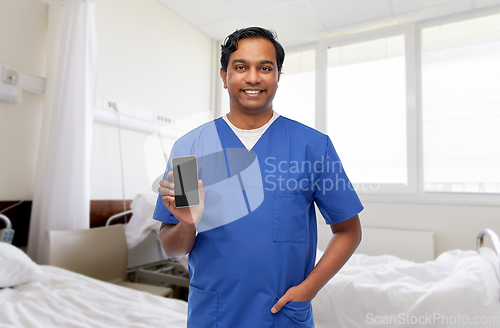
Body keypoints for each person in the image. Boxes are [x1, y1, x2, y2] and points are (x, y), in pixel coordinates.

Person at [153, 27, 363, 327]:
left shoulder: (313, 146)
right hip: (215, 314)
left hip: (282, 315)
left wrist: (309, 288)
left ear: (278, 76)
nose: (253, 77)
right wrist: (188, 222)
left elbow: (349, 231)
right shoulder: (190, 150)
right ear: (224, 76)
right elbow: (173, 249)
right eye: (241, 67)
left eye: (265, 68)